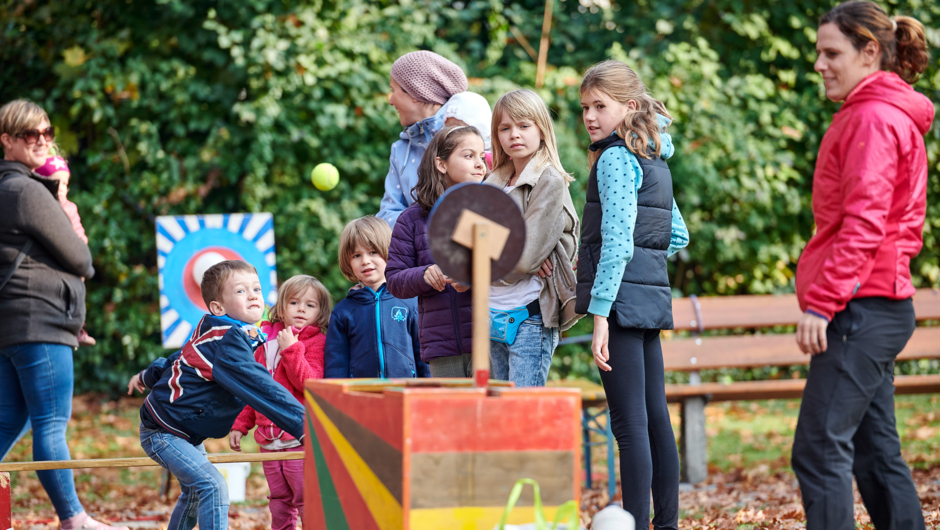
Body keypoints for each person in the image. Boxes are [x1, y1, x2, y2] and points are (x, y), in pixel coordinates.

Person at [792, 2, 933, 529]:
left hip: (860, 308)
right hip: (877, 305)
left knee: (818, 449)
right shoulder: (876, 113)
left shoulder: (873, 119)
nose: (820, 64)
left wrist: (824, 304)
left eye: (832, 53)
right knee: (875, 454)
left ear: (869, 52)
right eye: (818, 53)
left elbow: (864, 224)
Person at [0, 100, 125, 530]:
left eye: (46, 133)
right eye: (29, 135)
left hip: (13, 325)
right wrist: (59, 201)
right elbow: (81, 258)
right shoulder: (25, 190)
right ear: (8, 141)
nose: (41, 141)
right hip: (40, 322)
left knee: (6, 421)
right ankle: (74, 518)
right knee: (51, 424)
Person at [577, 61, 689, 530]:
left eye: (599, 106)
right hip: (647, 301)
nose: (589, 116)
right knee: (655, 418)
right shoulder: (653, 156)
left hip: (620, 305)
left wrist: (600, 313)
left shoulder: (616, 159)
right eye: (584, 107)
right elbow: (677, 235)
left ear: (628, 105)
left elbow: (619, 242)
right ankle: (665, 524)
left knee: (629, 424)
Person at [127, 260, 305, 530]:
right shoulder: (226, 339)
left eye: (256, 288)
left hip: (182, 429)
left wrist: (146, 376)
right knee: (212, 485)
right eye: (241, 291)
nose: (254, 294)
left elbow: (181, 358)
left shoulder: (221, 332)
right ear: (218, 307)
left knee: (195, 493)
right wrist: (306, 424)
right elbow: (259, 385)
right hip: (163, 433)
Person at [485, 89, 580, 387]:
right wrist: (510, 247)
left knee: (520, 415)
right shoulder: (493, 180)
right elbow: (463, 242)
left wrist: (487, 253)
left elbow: (525, 258)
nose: (515, 134)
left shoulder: (547, 179)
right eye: (505, 128)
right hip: (490, 312)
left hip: (529, 316)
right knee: (498, 414)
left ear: (541, 129)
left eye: (524, 126)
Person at [229, 274, 331, 530]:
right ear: (282, 306)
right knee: (278, 500)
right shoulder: (265, 341)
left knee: (305, 498)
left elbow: (309, 383)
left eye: (310, 305)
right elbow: (256, 390)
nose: (301, 309)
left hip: (298, 439)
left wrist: (292, 350)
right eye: (294, 302)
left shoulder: (316, 341)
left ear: (320, 312)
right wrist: (240, 425)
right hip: (268, 441)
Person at [386, 126, 487, 377]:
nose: (479, 164)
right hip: (441, 347)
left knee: (488, 415)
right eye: (468, 155)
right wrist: (424, 275)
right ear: (441, 164)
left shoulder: (491, 211)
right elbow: (394, 279)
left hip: (489, 339)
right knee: (451, 416)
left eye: (481, 156)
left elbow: (507, 265)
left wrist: (472, 280)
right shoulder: (411, 220)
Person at [325, 216, 429, 378]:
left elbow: (424, 357)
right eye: (356, 255)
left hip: (405, 394)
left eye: (373, 252)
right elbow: (336, 366)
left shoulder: (411, 302)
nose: (365, 261)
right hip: (362, 397)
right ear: (348, 262)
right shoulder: (342, 312)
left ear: (389, 251)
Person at [376, 50, 468, 227]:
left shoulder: (469, 136)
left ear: (414, 93)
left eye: (393, 91)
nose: (391, 100)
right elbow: (386, 216)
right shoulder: (400, 150)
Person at [34, 153, 96, 346]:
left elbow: (79, 233)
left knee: (77, 292)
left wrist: (80, 247)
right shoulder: (39, 206)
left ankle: (77, 327)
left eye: (65, 184)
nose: (61, 189)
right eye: (56, 183)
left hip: (72, 258)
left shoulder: (70, 207)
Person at [442, 91, 494, 167]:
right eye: (449, 129)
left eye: (460, 129)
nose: (453, 135)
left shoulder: (499, 163)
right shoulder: (441, 155)